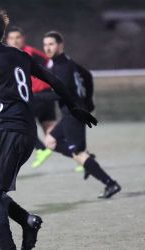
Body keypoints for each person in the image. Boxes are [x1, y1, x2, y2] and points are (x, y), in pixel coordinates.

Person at [0, 8, 97, 250]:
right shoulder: (20, 55)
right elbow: (54, 81)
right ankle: (27, 221)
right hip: (27, 133)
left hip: (9, 133)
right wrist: (75, 107)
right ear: (2, 33)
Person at [42, 31, 121, 199]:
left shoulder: (61, 66)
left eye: (51, 44)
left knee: (79, 154)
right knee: (50, 141)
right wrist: (89, 101)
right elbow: (87, 75)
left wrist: (32, 98)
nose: (47, 48)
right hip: (72, 112)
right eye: (45, 45)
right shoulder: (66, 62)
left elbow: (60, 94)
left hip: (74, 114)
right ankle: (87, 161)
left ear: (60, 45)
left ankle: (110, 183)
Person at [6, 26, 55, 169]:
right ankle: (82, 157)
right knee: (51, 133)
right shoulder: (13, 55)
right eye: (11, 38)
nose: (15, 41)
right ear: (7, 40)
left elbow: (50, 62)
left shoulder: (28, 52)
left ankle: (41, 149)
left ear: (23, 39)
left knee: (20, 123)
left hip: (39, 96)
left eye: (18, 38)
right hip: (44, 96)